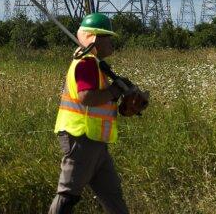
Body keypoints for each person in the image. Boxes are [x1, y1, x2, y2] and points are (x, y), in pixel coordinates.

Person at [48, 12, 144, 214]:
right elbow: (87, 98)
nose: (111, 42)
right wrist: (115, 91)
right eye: (107, 37)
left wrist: (122, 100)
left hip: (96, 141)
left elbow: (100, 101)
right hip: (80, 138)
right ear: (94, 38)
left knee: (113, 196)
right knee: (68, 196)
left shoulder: (97, 66)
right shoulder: (86, 63)